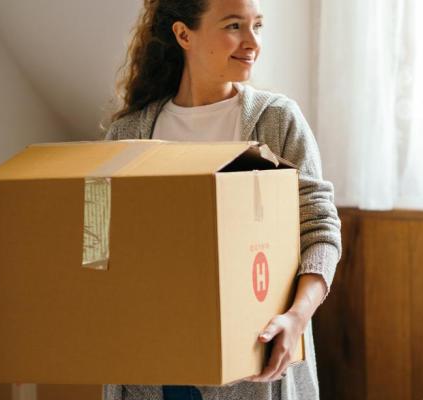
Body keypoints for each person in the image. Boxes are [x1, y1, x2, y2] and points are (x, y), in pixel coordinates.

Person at [102, 0, 341, 399]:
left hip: (256, 368)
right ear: (184, 35)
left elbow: (319, 229)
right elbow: (100, 246)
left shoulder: (276, 120)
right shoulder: (129, 134)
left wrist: (297, 318)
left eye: (257, 27)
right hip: (152, 369)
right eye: (234, 26)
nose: (252, 42)